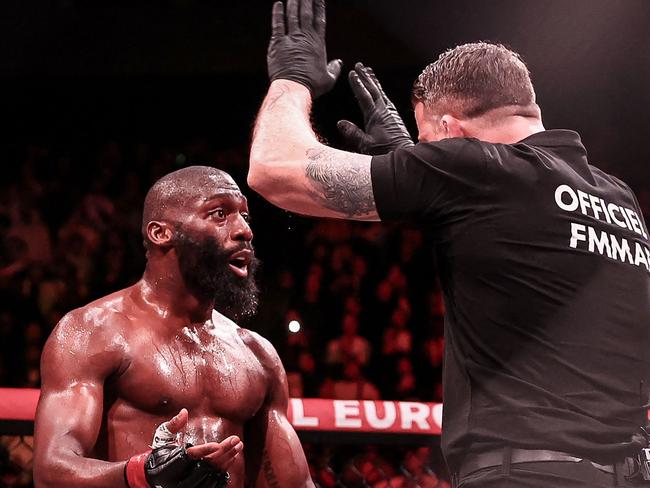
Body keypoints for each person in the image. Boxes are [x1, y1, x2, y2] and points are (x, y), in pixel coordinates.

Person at [247, 1, 650, 486]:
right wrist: (415, 165)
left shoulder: (476, 168)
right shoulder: (615, 196)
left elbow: (272, 169)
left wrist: (292, 79)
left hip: (525, 476)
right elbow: (506, 240)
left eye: (427, 141)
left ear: (450, 130)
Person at [33, 166, 313, 487]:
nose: (243, 231)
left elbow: (295, 482)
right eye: (219, 214)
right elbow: (51, 471)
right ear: (161, 233)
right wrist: (141, 474)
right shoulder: (93, 331)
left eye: (245, 217)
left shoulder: (257, 354)